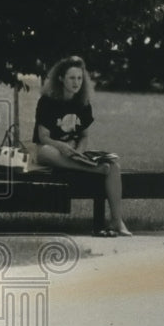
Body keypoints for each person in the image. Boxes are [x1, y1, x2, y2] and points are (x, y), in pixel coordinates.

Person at [33, 55, 131, 236]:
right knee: (46, 151)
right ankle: (92, 168)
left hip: (73, 154)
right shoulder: (47, 101)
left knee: (114, 165)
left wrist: (78, 152)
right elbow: (43, 137)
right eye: (71, 78)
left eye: (79, 78)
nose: (76, 82)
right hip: (52, 152)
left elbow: (84, 136)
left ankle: (117, 221)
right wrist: (61, 147)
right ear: (61, 78)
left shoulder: (83, 103)